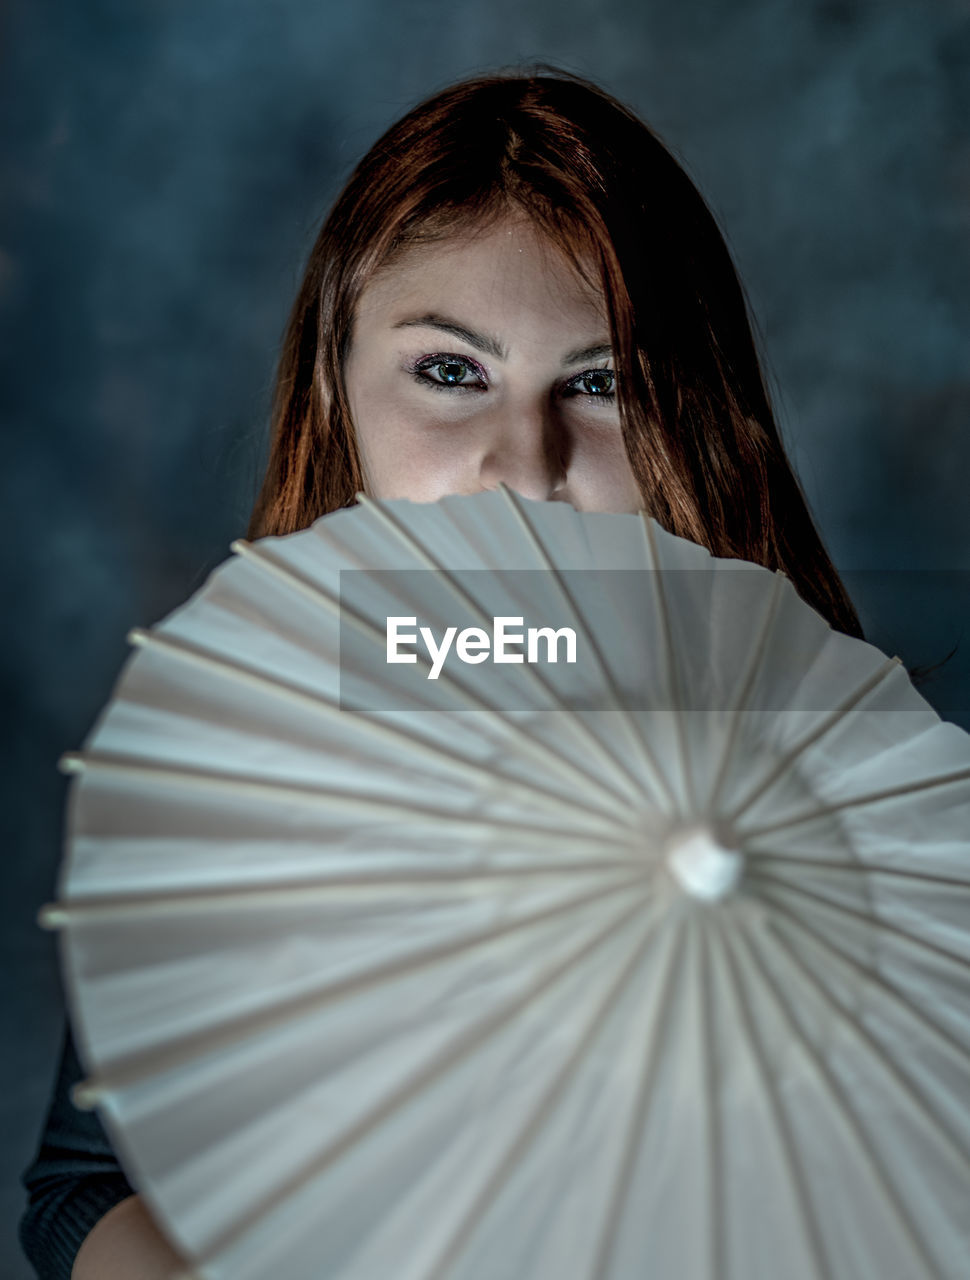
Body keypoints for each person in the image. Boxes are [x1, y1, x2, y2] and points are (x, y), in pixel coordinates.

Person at [19, 65, 861, 1278]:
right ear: (337, 390)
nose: (524, 462)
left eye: (602, 382)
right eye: (450, 373)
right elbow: (83, 1182)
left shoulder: (816, 788)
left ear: (695, 416)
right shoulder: (234, 767)